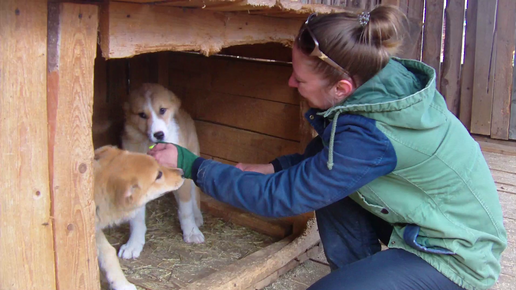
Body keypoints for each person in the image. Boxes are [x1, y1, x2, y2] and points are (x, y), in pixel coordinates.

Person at [148, 5, 507, 290]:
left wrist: (192, 165)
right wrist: (275, 167)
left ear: (342, 90)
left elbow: (280, 198)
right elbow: (330, 160)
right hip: (423, 221)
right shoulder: (376, 80)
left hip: (456, 252)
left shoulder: (372, 132)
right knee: (330, 192)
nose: (291, 82)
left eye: (299, 78)